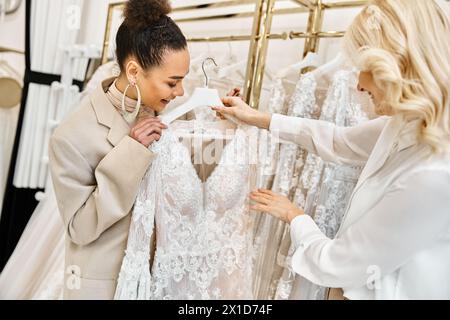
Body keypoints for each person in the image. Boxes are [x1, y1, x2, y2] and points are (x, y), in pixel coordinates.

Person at [213, 0, 450, 299]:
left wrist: (295, 216)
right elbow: (339, 141)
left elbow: (338, 264)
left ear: (397, 66)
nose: (358, 86)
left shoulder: (434, 174)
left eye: (364, 69)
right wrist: (257, 117)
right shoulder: (405, 124)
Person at [49, 0, 189, 299]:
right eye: (172, 82)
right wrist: (132, 153)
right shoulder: (71, 136)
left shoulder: (171, 115)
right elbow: (79, 227)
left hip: (163, 283)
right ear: (135, 71)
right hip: (107, 287)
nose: (181, 92)